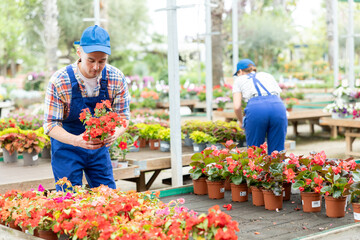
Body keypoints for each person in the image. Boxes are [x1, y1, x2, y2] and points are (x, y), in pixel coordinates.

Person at [44, 25, 130, 190]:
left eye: (102, 60)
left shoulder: (116, 78)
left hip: (98, 148)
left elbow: (123, 116)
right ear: (79, 54)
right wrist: (77, 140)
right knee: (69, 200)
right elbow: (50, 125)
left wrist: (115, 133)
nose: (96, 67)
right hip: (67, 147)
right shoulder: (60, 81)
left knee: (108, 197)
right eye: (91, 60)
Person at [232, 59, 287, 154]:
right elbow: (278, 95)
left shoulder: (239, 80)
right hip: (278, 106)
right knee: (277, 152)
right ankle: (278, 168)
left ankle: (257, 168)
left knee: (255, 151)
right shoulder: (267, 75)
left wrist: (241, 122)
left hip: (256, 108)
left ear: (240, 71)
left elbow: (237, 106)